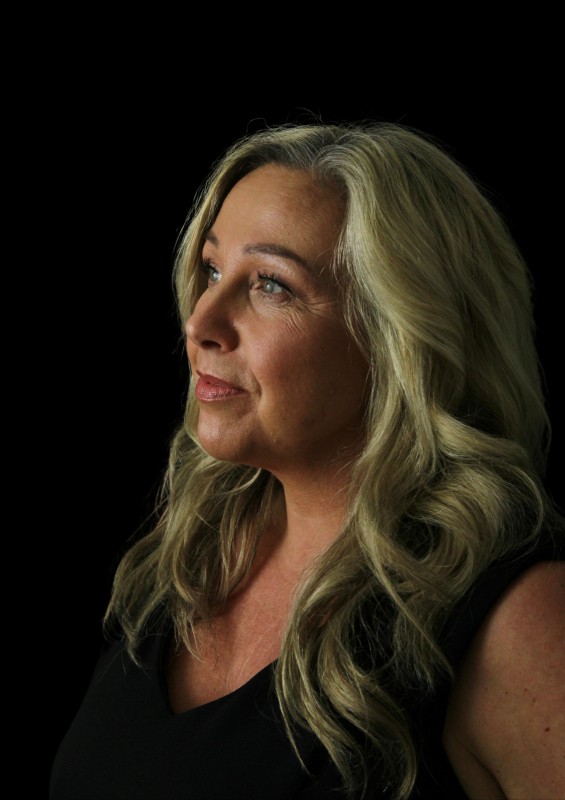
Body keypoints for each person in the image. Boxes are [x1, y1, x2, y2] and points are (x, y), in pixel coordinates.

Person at [49, 120, 565, 800]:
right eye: (212, 270)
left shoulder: (517, 620)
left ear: (401, 335)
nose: (201, 322)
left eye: (272, 285)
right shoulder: (191, 555)